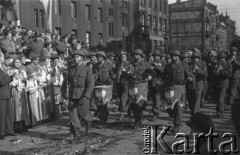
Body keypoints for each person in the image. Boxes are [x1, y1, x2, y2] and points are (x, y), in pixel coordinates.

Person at [162, 50, 194, 132]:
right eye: (172, 56)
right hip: (170, 88)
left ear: (179, 57)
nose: (173, 57)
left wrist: (190, 79)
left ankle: (176, 125)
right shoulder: (168, 66)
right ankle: (173, 116)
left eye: (175, 56)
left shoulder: (184, 65)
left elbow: (190, 75)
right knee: (168, 106)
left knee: (179, 107)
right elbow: (163, 76)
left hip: (180, 88)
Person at [67, 49, 94, 141]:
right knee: (73, 115)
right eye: (74, 57)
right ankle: (76, 134)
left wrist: (86, 96)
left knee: (84, 114)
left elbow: (91, 84)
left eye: (77, 57)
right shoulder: (70, 69)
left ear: (82, 58)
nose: (75, 58)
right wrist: (64, 94)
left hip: (83, 95)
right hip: (72, 95)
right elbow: (66, 82)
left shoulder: (87, 69)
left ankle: (88, 127)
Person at [92, 51, 114, 122]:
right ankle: (104, 114)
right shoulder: (95, 65)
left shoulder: (109, 65)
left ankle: (103, 118)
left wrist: (112, 79)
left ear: (103, 58)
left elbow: (112, 75)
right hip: (98, 86)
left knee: (104, 103)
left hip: (106, 86)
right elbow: (93, 75)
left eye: (100, 57)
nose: (98, 58)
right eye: (97, 57)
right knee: (98, 102)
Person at [9, 58, 29, 133]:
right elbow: (10, 82)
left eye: (19, 62)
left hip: (22, 90)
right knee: (17, 107)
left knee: (23, 107)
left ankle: (23, 124)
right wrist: (17, 80)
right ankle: (17, 126)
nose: (17, 63)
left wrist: (24, 79)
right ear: (13, 63)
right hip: (15, 90)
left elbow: (26, 79)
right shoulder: (11, 71)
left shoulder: (23, 71)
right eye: (16, 62)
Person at [187, 48, 207, 115]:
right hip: (190, 85)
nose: (194, 59)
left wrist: (198, 69)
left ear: (199, 58)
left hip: (198, 84)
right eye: (193, 58)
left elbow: (205, 74)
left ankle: (194, 116)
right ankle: (193, 112)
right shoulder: (189, 64)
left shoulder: (203, 64)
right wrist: (188, 77)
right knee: (190, 102)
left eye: (196, 58)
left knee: (196, 102)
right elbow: (186, 73)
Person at [0, 51, 15, 140]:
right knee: (1, 115)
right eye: (2, 57)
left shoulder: (2, 68)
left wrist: (11, 76)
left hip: (6, 93)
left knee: (8, 114)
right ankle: (1, 132)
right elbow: (1, 82)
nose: (3, 58)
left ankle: (9, 130)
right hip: (1, 94)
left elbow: (5, 80)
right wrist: (9, 75)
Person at [213, 51, 232, 117]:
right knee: (218, 98)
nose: (221, 59)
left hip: (224, 83)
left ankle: (221, 111)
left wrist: (221, 70)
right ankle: (218, 110)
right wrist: (215, 71)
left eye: (222, 58)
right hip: (217, 83)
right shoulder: (217, 64)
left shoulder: (228, 64)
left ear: (225, 58)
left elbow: (229, 74)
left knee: (221, 98)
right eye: (220, 58)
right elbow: (214, 73)